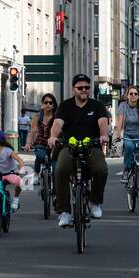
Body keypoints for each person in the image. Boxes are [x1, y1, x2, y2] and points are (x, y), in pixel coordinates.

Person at [48, 75, 110, 229]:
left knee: (102, 170)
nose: (84, 90)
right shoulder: (65, 106)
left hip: (91, 146)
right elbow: (57, 124)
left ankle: (95, 201)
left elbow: (103, 123)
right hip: (69, 146)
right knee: (60, 170)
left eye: (87, 88)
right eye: (80, 88)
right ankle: (64, 212)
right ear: (74, 89)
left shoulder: (97, 106)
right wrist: (53, 137)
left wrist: (103, 136)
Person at [114, 85, 139, 207]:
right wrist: (117, 135)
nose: (133, 96)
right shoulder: (123, 106)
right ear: (127, 96)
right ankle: (126, 170)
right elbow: (120, 122)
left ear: (138, 96)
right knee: (130, 147)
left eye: (135, 94)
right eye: (131, 94)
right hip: (128, 135)